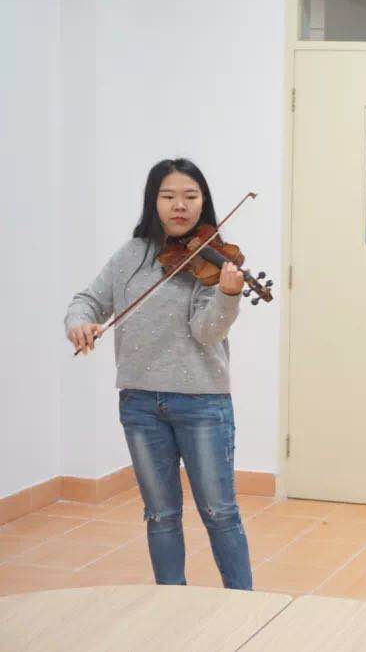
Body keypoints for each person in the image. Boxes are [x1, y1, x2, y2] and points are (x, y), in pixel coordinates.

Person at [65, 158, 253, 590]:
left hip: (201, 401)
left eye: (190, 196)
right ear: (154, 201)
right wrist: (80, 322)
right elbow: (88, 300)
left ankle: (243, 603)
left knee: (219, 512)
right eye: (168, 196)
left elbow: (206, 333)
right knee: (160, 514)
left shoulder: (213, 259)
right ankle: (170, 603)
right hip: (140, 403)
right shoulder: (131, 255)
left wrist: (228, 296)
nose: (179, 205)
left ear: (203, 202)